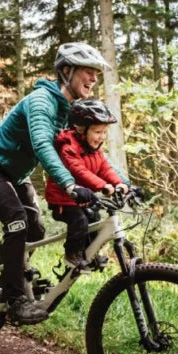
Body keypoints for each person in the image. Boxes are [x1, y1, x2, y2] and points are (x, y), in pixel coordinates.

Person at [0, 42, 110, 324]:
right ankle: (14, 296)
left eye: (96, 73)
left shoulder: (70, 111)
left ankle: (16, 275)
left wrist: (120, 184)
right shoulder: (41, 102)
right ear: (67, 71)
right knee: (17, 221)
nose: (94, 79)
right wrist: (70, 186)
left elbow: (88, 153)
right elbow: (44, 146)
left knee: (36, 229)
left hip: (16, 175)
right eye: (88, 71)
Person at [45, 99, 127, 270]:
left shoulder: (94, 150)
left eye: (104, 132)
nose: (101, 137)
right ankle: (72, 255)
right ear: (81, 129)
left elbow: (105, 168)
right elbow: (79, 171)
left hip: (82, 199)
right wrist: (103, 186)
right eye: (97, 132)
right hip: (63, 200)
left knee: (95, 219)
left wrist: (119, 183)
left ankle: (89, 254)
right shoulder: (69, 148)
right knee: (80, 221)